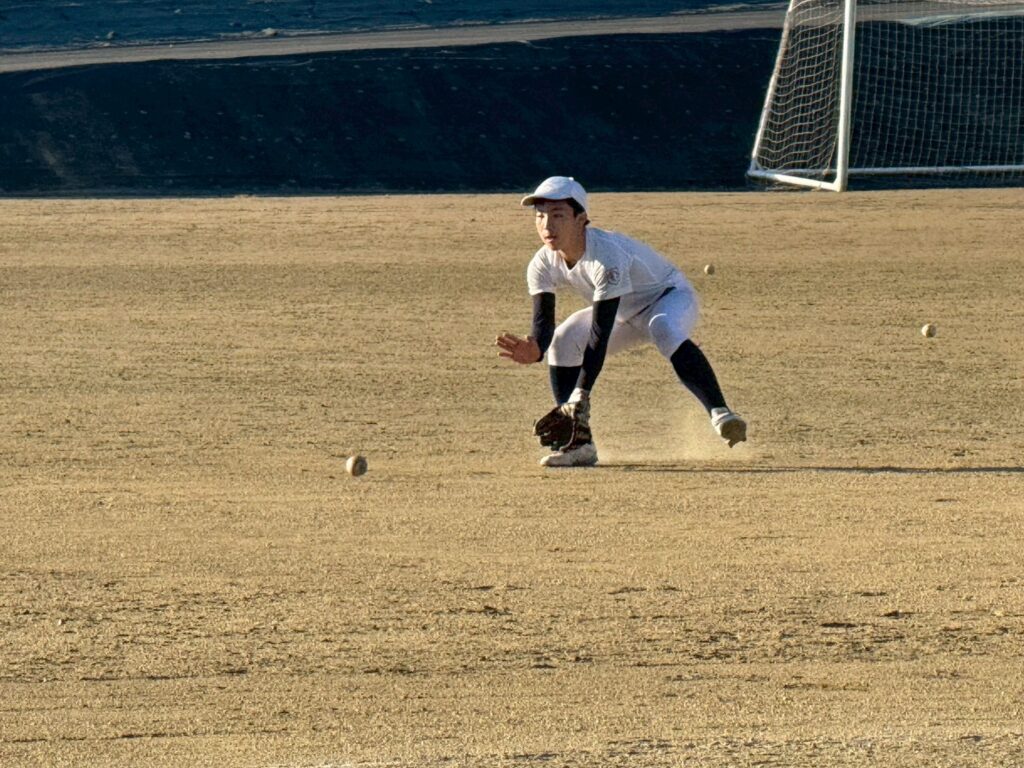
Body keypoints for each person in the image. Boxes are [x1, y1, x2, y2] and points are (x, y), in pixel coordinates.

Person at [496, 176, 747, 467]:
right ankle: (579, 446)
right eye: (540, 216)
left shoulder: (606, 255)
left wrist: (581, 392)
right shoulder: (542, 263)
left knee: (662, 327)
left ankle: (721, 413)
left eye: (558, 215)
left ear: (581, 219)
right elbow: (544, 322)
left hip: (667, 298)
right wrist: (537, 348)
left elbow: (599, 333)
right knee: (562, 341)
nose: (547, 225)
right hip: (622, 313)